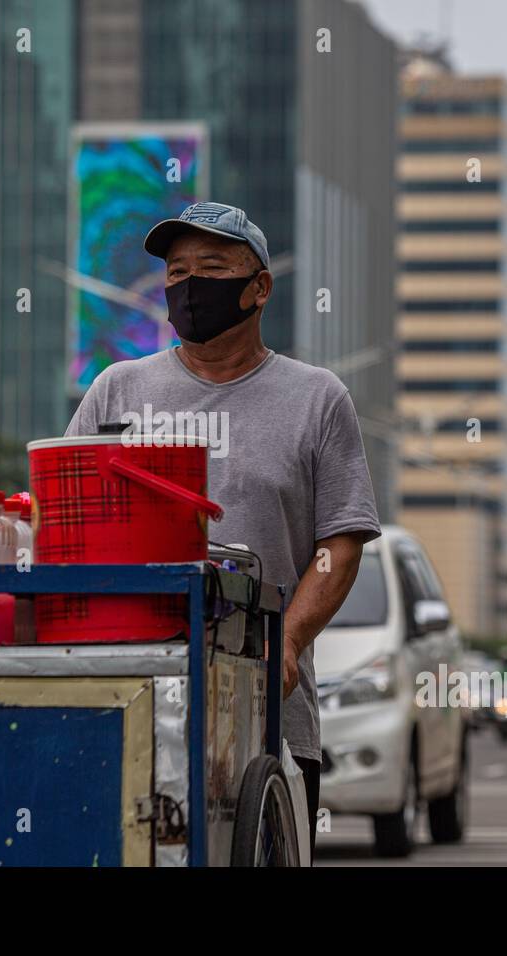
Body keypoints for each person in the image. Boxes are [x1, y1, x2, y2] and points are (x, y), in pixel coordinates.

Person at [65, 201, 383, 857]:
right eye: (177, 273)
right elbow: (65, 518)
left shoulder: (317, 398)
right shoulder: (117, 391)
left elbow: (341, 545)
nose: (189, 287)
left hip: (270, 713)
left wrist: (289, 641)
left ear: (259, 287)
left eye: (211, 268)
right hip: (129, 694)